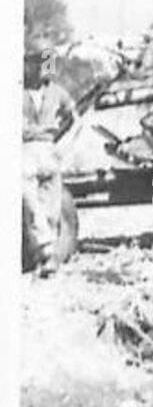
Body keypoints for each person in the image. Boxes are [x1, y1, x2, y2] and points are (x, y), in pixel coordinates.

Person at [22, 42, 77, 275]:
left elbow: (74, 119)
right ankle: (44, 250)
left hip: (48, 150)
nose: (45, 66)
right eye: (39, 61)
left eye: (48, 60)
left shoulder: (57, 92)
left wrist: (62, 145)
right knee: (30, 203)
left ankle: (49, 258)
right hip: (23, 150)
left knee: (52, 207)